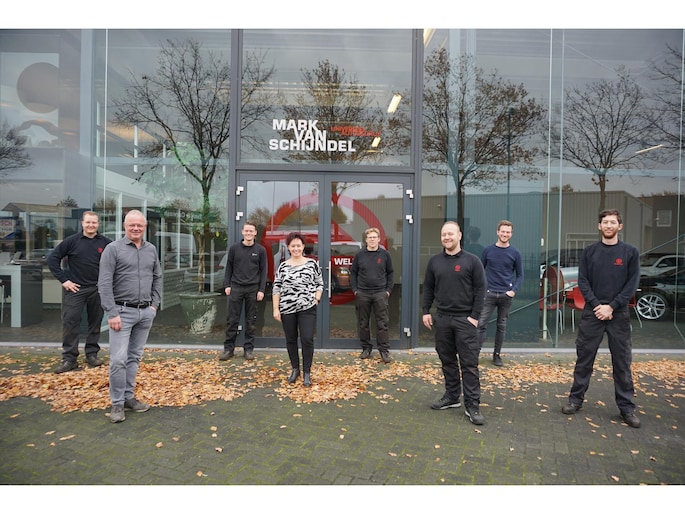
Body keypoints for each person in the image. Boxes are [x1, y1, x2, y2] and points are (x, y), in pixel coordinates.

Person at [561, 209, 641, 428]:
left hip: (618, 314)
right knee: (584, 359)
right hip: (592, 313)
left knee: (622, 362)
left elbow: (632, 284)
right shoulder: (590, 252)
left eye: (612, 222)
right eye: (605, 222)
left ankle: (627, 408)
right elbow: (583, 281)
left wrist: (612, 306)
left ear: (619, 226)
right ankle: (575, 400)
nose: (608, 225)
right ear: (599, 226)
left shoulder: (630, 252)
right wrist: (598, 306)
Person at [98, 210, 161, 423]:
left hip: (145, 313)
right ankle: (116, 404)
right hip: (121, 313)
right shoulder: (113, 249)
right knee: (118, 360)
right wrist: (112, 312)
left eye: (139, 225)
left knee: (134, 357)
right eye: (132, 225)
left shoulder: (151, 249)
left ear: (145, 227)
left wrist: (154, 306)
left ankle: (128, 397)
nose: (136, 228)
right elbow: (104, 283)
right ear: (125, 226)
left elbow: (157, 277)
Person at [422, 221, 486, 425]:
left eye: (450, 234)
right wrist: (426, 311)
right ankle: (452, 397)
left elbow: (481, 290)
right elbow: (428, 287)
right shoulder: (434, 262)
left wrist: (474, 317)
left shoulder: (472, 261)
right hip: (442, 319)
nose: (447, 237)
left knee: (469, 364)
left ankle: (472, 405)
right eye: (444, 234)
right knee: (447, 360)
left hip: (465, 320)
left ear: (459, 235)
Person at [47, 211, 112, 373]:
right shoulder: (71, 241)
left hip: (97, 289)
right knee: (70, 322)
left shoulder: (106, 243)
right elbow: (52, 259)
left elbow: (116, 263)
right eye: (88, 222)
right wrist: (64, 281)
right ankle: (69, 359)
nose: (91, 225)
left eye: (94, 222)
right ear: (82, 223)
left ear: (98, 224)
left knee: (95, 323)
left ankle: (92, 354)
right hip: (76, 288)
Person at [272, 232, 324, 387]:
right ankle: (295, 369)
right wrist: (276, 308)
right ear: (288, 247)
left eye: (298, 245)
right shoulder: (283, 266)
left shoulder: (312, 264)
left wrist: (316, 299)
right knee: (291, 339)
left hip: (307, 308)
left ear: (303, 247)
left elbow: (320, 283)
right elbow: (276, 288)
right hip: (287, 309)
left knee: (307, 339)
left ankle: (307, 372)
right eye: (293, 246)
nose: (296, 248)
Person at [477, 220, 524, 367]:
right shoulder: (488, 251)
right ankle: (474, 354)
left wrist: (513, 291)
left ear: (511, 234)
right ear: (497, 232)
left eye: (508, 232)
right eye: (503, 231)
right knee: (481, 324)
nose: (505, 234)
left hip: (506, 295)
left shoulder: (515, 253)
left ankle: (496, 355)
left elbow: (520, 275)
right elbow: (479, 271)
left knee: (501, 326)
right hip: (489, 294)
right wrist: (483, 290)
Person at [219, 221, 267, 361]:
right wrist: (227, 285)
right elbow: (229, 268)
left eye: (251, 231)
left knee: (251, 321)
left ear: (255, 233)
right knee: (232, 320)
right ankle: (228, 349)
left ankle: (248, 350)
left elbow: (263, 271)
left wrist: (261, 290)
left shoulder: (260, 250)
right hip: (236, 287)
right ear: (242, 232)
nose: (248, 233)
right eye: (246, 231)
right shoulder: (234, 249)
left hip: (253, 289)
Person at [350, 227, 394, 363]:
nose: (372, 239)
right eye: (370, 237)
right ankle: (366, 348)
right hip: (363, 293)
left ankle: (384, 350)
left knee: (382, 323)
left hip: (380, 293)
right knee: (363, 323)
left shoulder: (385, 255)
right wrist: (355, 290)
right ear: (366, 240)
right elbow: (353, 273)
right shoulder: (359, 255)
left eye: (375, 237)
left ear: (379, 239)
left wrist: (388, 290)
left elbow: (390, 273)